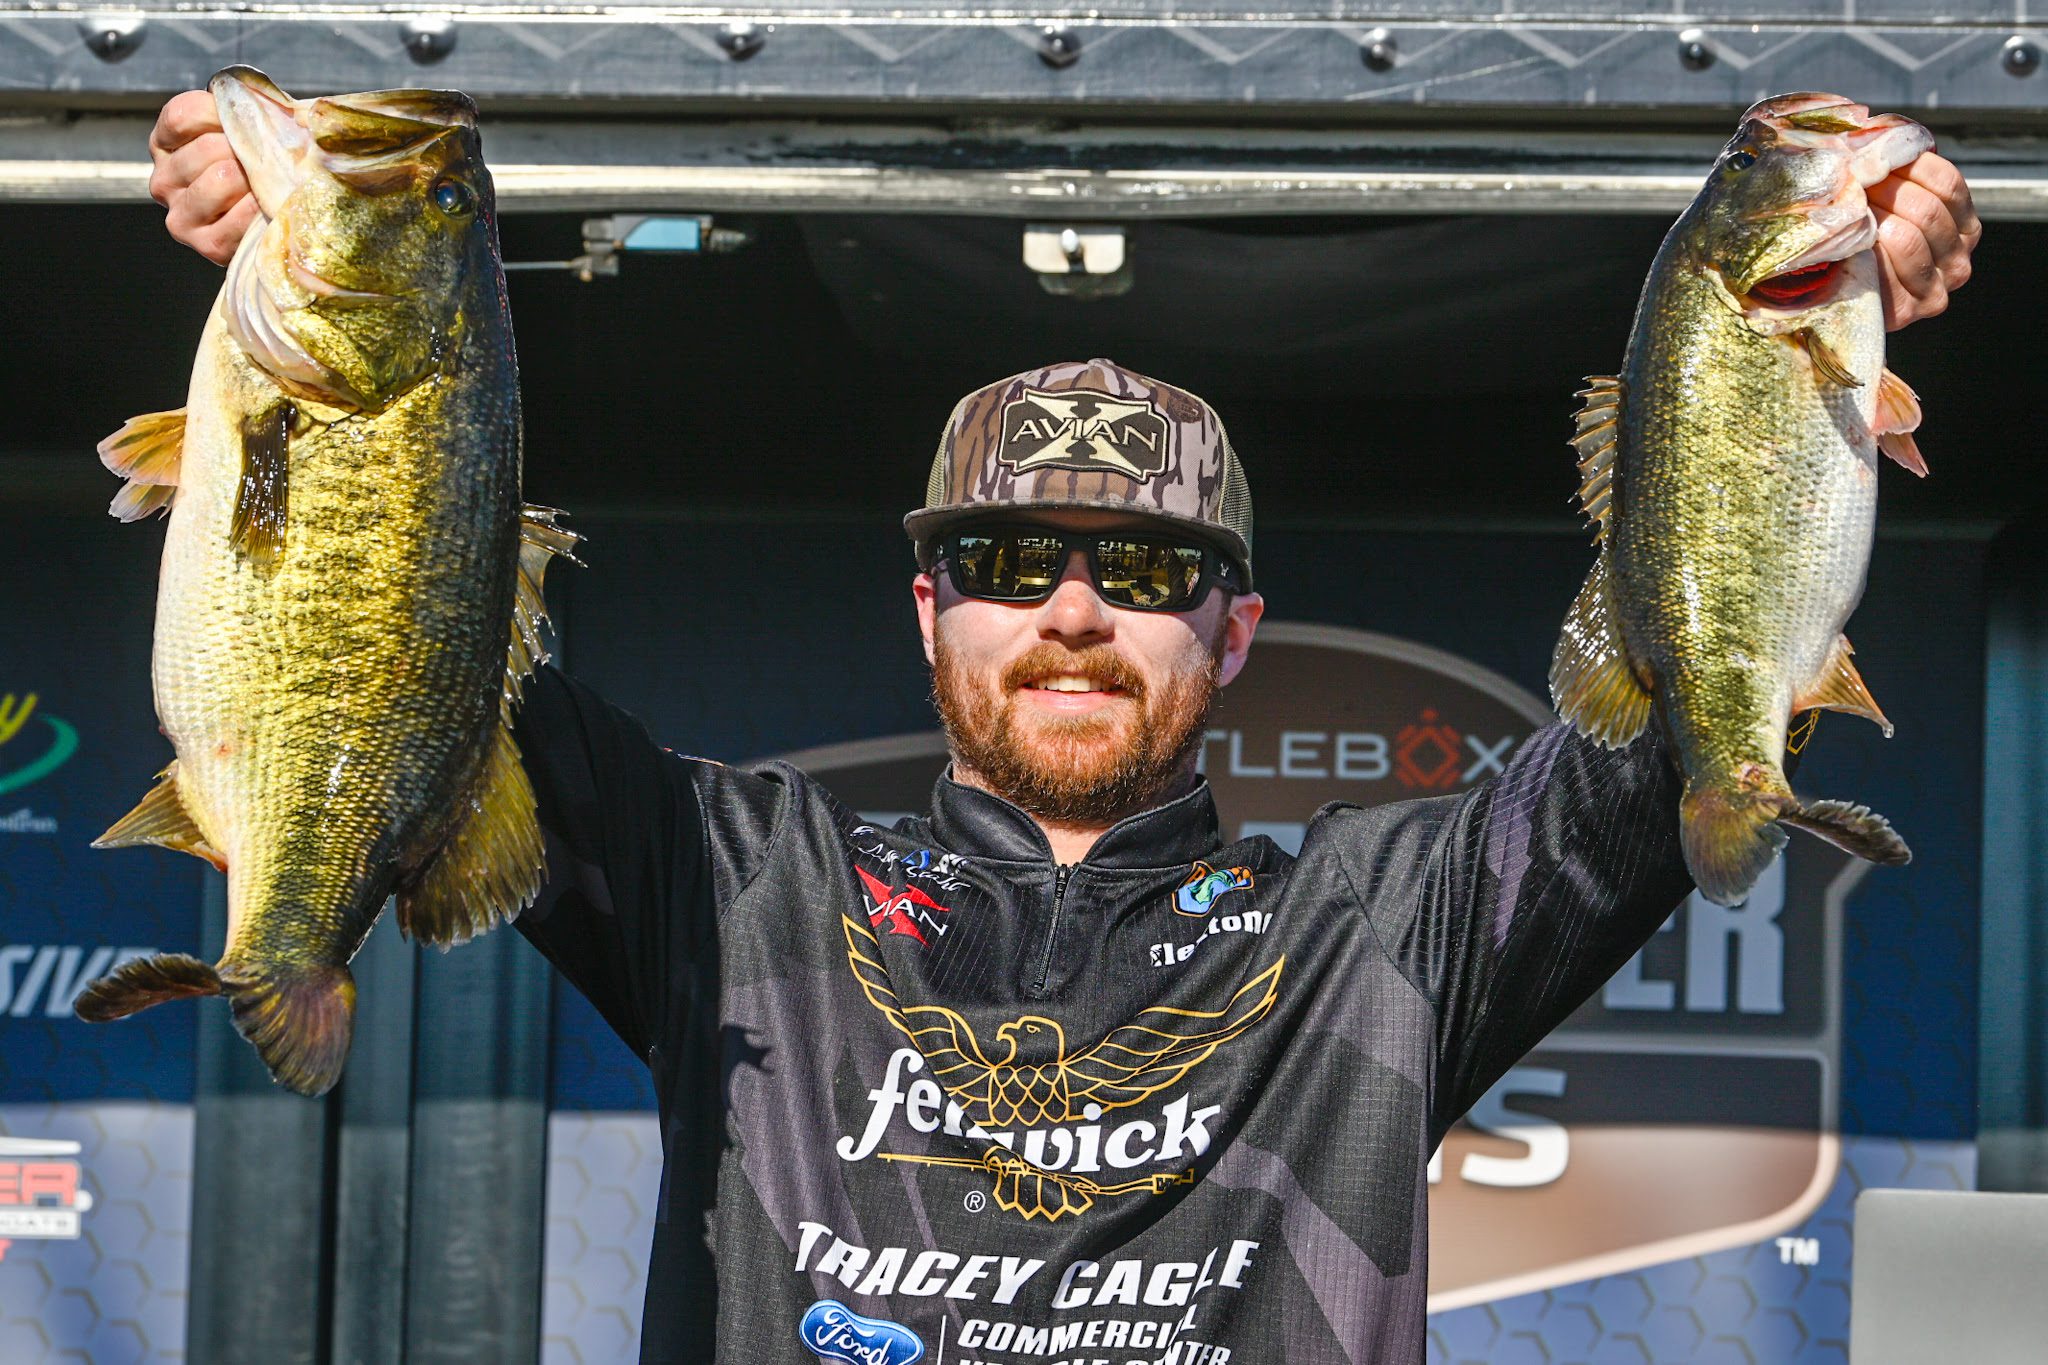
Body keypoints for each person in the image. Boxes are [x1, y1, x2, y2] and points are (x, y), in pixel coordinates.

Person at [146, 93, 1980, 1364]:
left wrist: (1814, 320)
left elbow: (1683, 702)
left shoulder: (1382, 929)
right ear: (928, 609)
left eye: (1149, 568)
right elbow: (408, 622)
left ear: (1236, 628)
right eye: (1011, 560)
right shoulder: (736, 884)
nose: (1077, 612)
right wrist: (308, 239)